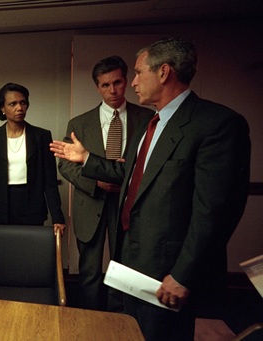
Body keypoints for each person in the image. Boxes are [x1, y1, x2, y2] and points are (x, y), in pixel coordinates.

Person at [50, 38, 250, 340]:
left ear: (164, 72)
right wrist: (86, 158)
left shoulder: (217, 124)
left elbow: (214, 213)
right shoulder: (152, 124)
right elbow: (130, 172)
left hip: (168, 267)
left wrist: (183, 275)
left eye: (138, 73)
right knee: (135, 330)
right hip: (133, 255)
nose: (132, 83)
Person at [58, 55, 153, 311]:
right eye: (105, 85)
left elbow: (152, 164)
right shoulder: (79, 123)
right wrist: (95, 183)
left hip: (128, 205)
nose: (113, 90)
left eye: (118, 82)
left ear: (126, 81)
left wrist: (124, 180)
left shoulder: (147, 119)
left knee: (123, 271)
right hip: (91, 203)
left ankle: (119, 323)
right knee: (89, 272)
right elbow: (65, 165)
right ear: (97, 87)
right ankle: (90, 322)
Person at [0, 82, 65, 236]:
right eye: (12, 104)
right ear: (2, 109)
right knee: (6, 253)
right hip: (3, 205)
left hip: (33, 203)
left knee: (32, 253)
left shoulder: (42, 136)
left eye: (23, 103)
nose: (19, 108)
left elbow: (50, 181)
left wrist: (58, 217)